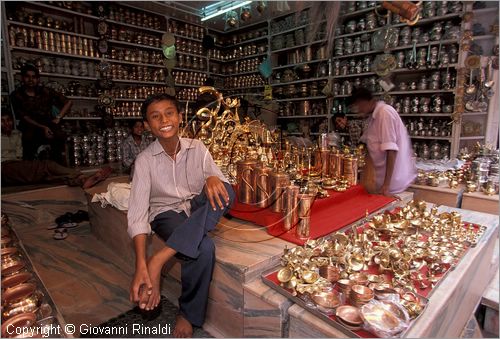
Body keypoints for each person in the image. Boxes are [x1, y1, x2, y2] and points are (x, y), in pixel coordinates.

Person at [127, 93, 235, 338]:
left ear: (180, 117)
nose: (163, 120)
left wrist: (211, 176)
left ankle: (161, 258)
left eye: (169, 113)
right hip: (166, 213)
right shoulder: (144, 161)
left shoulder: (197, 147)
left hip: (195, 207)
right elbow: (137, 215)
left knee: (228, 191)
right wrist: (141, 264)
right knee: (203, 248)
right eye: (155, 116)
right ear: (147, 126)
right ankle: (187, 313)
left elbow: (218, 180)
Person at [1, 111, 112, 188]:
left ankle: (81, 180)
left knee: (47, 177)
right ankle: (81, 176)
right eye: (2, 121)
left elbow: (20, 154)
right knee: (47, 165)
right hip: (4, 167)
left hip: (17, 164)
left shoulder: (17, 134)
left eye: (8, 120)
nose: (6, 123)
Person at [349, 87, 416, 196]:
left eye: (359, 105)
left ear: (368, 101)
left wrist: (386, 185)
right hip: (380, 182)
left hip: (392, 185)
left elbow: (391, 151)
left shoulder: (385, 113)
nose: (358, 109)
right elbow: (367, 145)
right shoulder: (372, 117)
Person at [10, 63, 72, 163]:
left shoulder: (46, 91)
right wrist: (43, 128)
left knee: (60, 137)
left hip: (49, 122)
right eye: (27, 77)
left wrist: (58, 117)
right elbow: (24, 116)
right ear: (22, 78)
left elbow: (68, 102)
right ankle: (32, 170)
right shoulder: (16, 95)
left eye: (34, 77)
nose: (31, 80)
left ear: (38, 79)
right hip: (30, 125)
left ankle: (58, 168)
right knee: (29, 141)